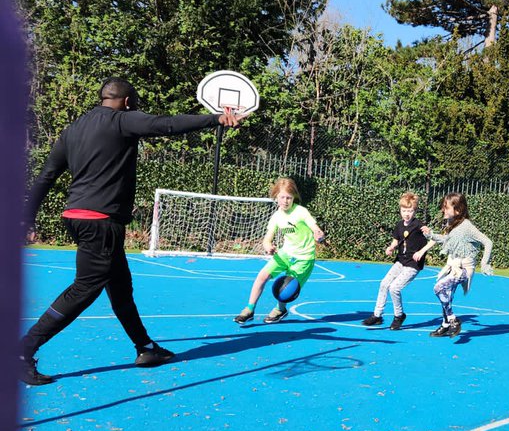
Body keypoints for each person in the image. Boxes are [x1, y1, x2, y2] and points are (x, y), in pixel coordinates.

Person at [21, 78, 241, 386]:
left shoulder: (71, 130)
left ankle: (146, 348)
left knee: (120, 287)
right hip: (100, 222)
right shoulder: (122, 120)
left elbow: (47, 175)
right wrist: (215, 118)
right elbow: (167, 124)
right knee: (84, 289)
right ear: (126, 102)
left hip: (76, 216)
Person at [233, 177, 324, 326]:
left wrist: (318, 233)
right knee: (262, 276)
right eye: (282, 197)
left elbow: (314, 227)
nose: (285, 201)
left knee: (286, 287)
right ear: (276, 196)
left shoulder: (301, 212)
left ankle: (280, 309)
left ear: (293, 197)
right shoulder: (276, 217)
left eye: (289, 197)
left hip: (303, 257)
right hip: (285, 253)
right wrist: (268, 246)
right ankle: (249, 310)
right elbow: (267, 239)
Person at [418, 193, 493, 338]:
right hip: (453, 266)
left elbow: (488, 242)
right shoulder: (451, 224)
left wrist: (484, 263)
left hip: (463, 269)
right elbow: (447, 240)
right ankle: (445, 325)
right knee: (447, 296)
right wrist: (431, 235)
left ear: (458, 210)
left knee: (438, 288)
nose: (443, 210)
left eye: (446, 207)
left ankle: (453, 320)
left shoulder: (467, 226)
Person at [362, 191, 430, 330]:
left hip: (413, 264)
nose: (406, 213)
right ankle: (377, 315)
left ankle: (399, 316)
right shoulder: (399, 225)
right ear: (400, 210)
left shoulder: (419, 225)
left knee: (395, 288)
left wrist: (425, 241)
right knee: (384, 284)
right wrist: (391, 248)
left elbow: (431, 239)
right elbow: (396, 240)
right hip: (400, 261)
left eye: (410, 211)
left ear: (415, 211)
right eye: (404, 210)